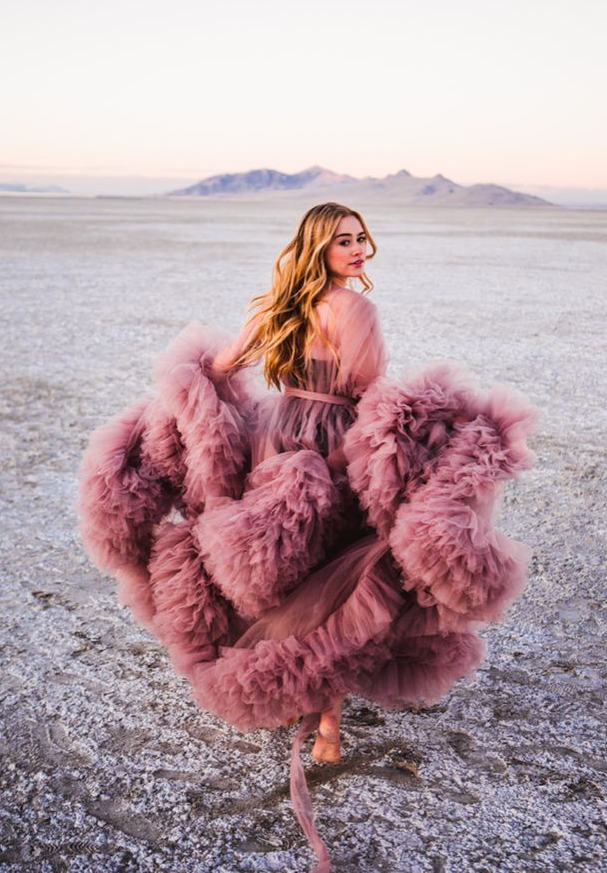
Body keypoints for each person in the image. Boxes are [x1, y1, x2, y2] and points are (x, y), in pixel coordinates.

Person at [76, 201, 537, 873]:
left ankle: (302, 700)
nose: (360, 251)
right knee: (342, 573)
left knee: (292, 572)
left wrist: (201, 421)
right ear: (319, 246)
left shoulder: (278, 308)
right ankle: (325, 725)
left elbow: (218, 365)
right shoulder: (356, 311)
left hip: (274, 436)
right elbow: (370, 395)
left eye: (362, 239)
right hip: (331, 444)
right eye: (347, 241)